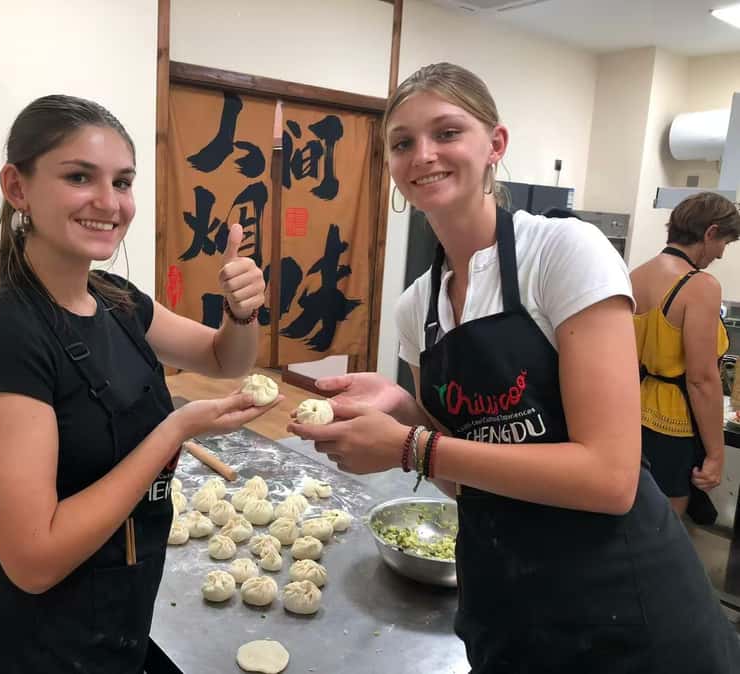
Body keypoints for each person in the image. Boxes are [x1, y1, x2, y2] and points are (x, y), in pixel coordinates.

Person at [289, 63, 740, 672]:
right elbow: (463, 473)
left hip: (621, 612)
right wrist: (401, 408)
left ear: (494, 145)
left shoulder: (561, 253)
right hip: (505, 603)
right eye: (402, 143)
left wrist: (410, 447)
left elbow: (610, 479)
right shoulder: (414, 307)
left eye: (447, 133)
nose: (423, 155)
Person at [0, 95, 274, 673]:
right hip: (39, 648)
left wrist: (241, 312)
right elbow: (35, 559)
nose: (109, 203)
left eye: (123, 182)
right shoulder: (2, 343)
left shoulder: (118, 301)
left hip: (121, 620)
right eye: (79, 177)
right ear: (17, 188)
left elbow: (226, 360)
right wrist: (173, 430)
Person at [631, 192, 738, 517]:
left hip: (631, 411)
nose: (720, 254)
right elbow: (702, 380)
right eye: (725, 243)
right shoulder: (700, 286)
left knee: (631, 520)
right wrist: (716, 455)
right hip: (674, 426)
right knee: (665, 528)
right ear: (710, 232)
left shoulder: (635, 275)